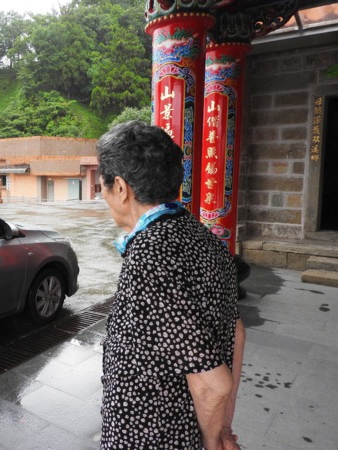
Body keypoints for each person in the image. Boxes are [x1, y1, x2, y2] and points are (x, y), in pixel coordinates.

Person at [97, 121, 245, 450]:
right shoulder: (203, 237)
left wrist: (212, 443)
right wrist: (223, 426)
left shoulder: (150, 254)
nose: (102, 195)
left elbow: (213, 382)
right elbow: (237, 332)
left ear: (120, 188)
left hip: (153, 435)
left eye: (102, 185)